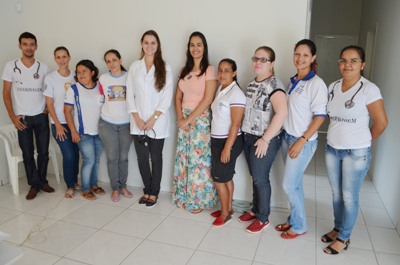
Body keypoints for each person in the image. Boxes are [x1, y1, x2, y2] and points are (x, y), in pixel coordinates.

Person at [321, 45, 388, 255]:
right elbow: (332, 116)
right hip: (333, 149)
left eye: (353, 60)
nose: (347, 65)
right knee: (336, 194)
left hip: (355, 153)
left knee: (349, 196)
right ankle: (337, 227)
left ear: (362, 64)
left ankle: (344, 237)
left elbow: (381, 123)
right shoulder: (332, 86)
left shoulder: (369, 89)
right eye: (343, 60)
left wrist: (363, 142)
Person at [276, 39, 328, 239]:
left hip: (302, 142)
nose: (300, 58)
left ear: (313, 58)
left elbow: (320, 116)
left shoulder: (316, 84)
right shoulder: (293, 81)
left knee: (289, 185)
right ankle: (294, 220)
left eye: (306, 55)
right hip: (287, 138)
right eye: (297, 53)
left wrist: (302, 140)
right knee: (294, 184)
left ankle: (299, 226)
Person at [239, 47, 288, 233]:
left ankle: (263, 217)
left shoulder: (275, 84)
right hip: (248, 137)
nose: (258, 62)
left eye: (264, 59)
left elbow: (282, 112)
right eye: (255, 58)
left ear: (272, 63)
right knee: (255, 176)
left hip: (265, 139)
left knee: (261, 178)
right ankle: (255, 209)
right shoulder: (252, 83)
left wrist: (265, 139)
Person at [2, 32, 54, 200]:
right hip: (22, 117)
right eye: (25, 44)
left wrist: (46, 108)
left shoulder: (44, 67)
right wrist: (12, 116)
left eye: (32, 44)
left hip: (40, 116)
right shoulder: (11, 66)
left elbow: (49, 91)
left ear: (36, 46)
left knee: (43, 152)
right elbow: (6, 93)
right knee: (27, 153)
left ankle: (42, 181)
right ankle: (34, 184)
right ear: (20, 46)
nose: (29, 47)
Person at [172, 31, 218, 213]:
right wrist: (181, 119)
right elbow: (177, 98)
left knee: (199, 161)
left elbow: (208, 100)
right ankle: (183, 197)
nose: (195, 48)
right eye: (192, 44)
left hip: (200, 120)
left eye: (199, 44)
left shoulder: (209, 70)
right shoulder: (184, 71)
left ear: (204, 47)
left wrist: (189, 119)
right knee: (184, 158)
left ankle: (198, 200)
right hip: (184, 120)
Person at [126, 30, 173, 208]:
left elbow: (166, 96)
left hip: (157, 122)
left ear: (158, 45)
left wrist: (153, 118)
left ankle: (155, 192)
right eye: (146, 42)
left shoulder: (165, 67)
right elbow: (129, 93)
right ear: (141, 44)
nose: (150, 46)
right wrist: (136, 117)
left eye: (153, 42)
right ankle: (147, 190)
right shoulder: (134, 67)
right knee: (142, 158)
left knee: (156, 157)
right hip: (137, 122)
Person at [210, 58, 246, 227]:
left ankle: (225, 214)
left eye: (226, 70)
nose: (222, 74)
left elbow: (236, 124)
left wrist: (227, 148)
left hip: (228, 141)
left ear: (234, 73)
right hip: (218, 139)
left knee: (218, 179)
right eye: (220, 70)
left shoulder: (236, 93)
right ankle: (228, 208)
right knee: (226, 177)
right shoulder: (221, 89)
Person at [64, 60, 105, 200]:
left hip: (100, 132)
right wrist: (73, 131)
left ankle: (93, 184)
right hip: (83, 133)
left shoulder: (100, 86)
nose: (81, 74)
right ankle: (85, 188)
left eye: (84, 71)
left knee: (97, 160)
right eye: (78, 72)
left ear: (92, 72)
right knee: (89, 160)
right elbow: (67, 111)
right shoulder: (74, 89)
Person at [43, 46, 80, 199]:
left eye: (64, 56)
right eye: (58, 57)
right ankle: (70, 186)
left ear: (69, 57)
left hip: (75, 123)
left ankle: (75, 181)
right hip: (59, 123)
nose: (62, 60)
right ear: (55, 59)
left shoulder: (76, 75)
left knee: (76, 154)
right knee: (69, 155)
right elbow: (49, 104)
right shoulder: (50, 78)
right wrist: (57, 124)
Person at [99, 49, 133, 202]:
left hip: (126, 124)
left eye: (114, 60)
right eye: (108, 61)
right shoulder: (103, 78)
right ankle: (115, 188)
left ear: (120, 59)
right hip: (108, 124)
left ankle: (123, 186)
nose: (111, 63)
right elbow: (100, 99)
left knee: (123, 157)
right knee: (112, 157)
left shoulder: (130, 77)